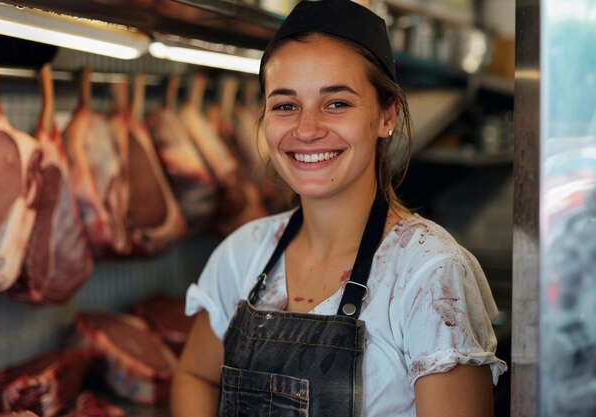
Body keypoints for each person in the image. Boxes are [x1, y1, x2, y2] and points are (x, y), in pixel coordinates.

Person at [171, 1, 507, 416]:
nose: (307, 129)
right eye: (285, 105)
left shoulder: (429, 273)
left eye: (337, 103)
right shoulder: (243, 254)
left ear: (387, 115)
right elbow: (195, 376)